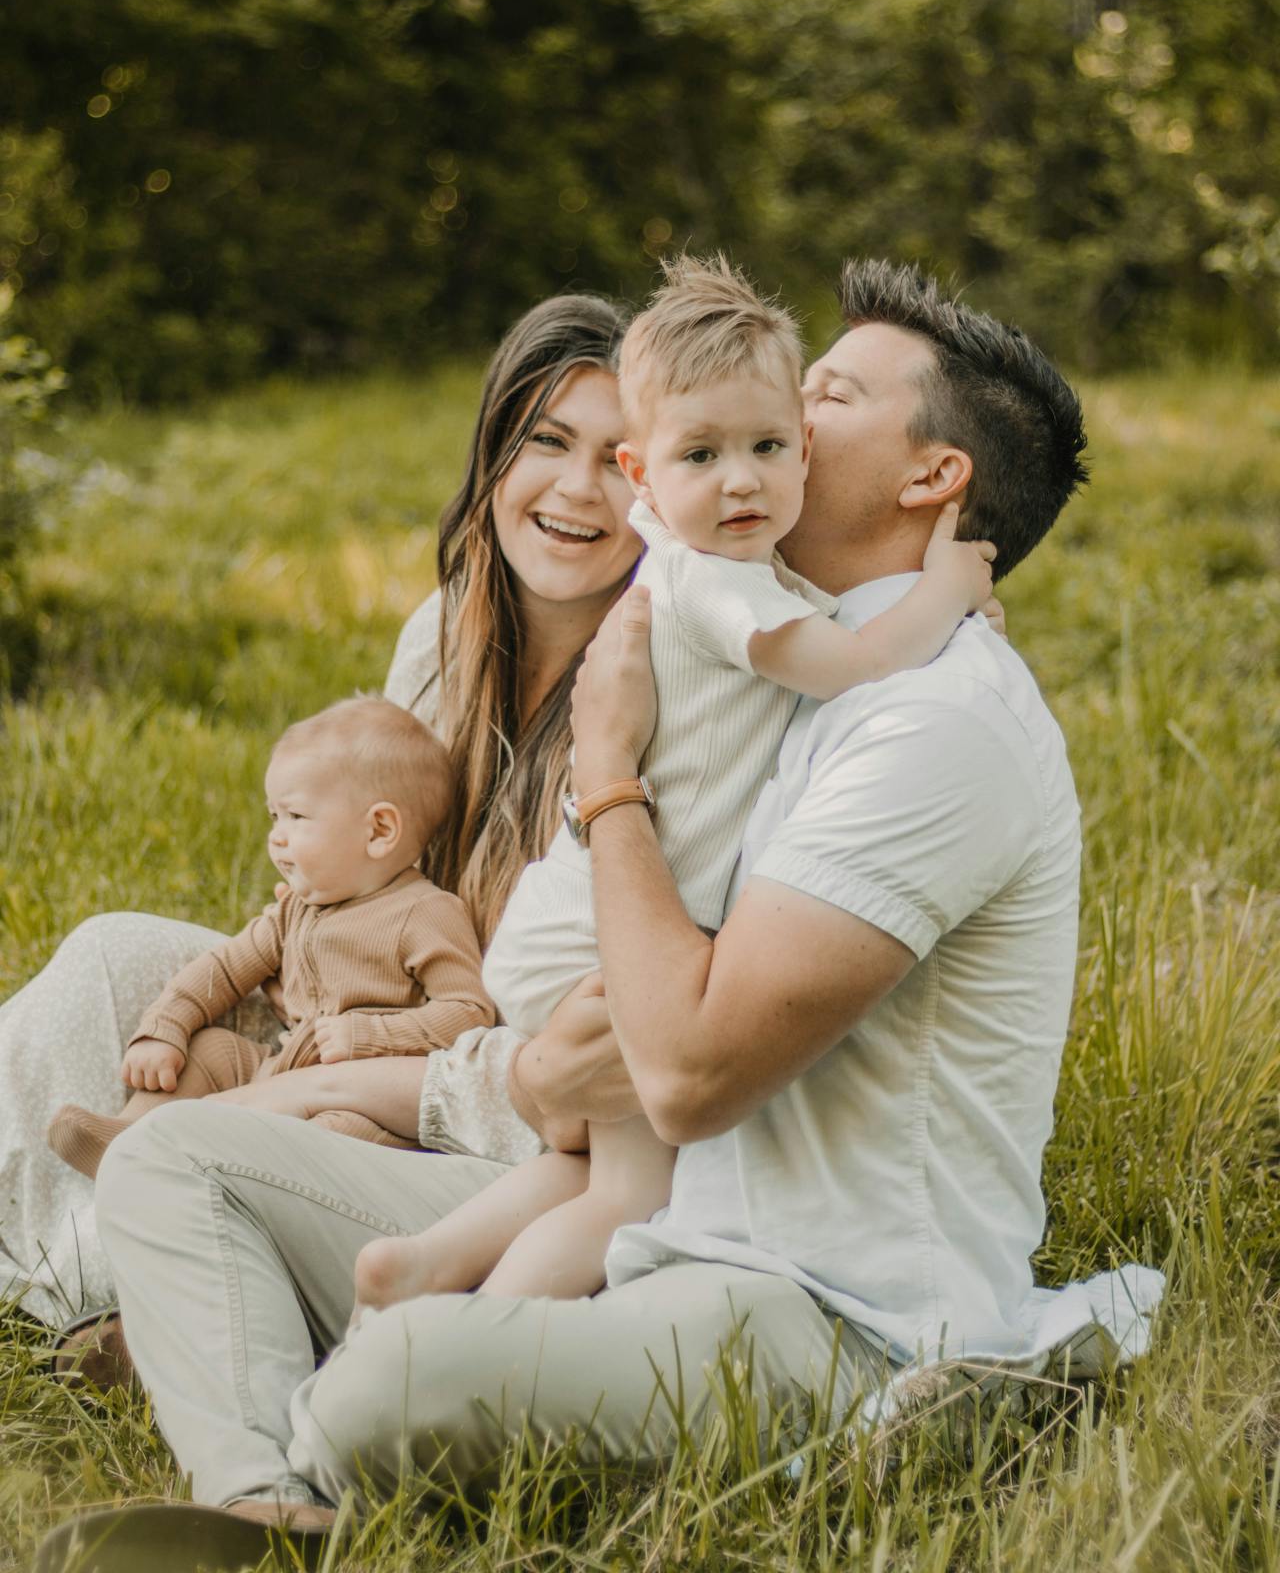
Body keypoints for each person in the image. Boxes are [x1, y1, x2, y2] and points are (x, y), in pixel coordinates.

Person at [78, 257, 1107, 1560]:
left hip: (810, 1300)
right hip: (624, 1205)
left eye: (828, 390)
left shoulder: (937, 724)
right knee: (173, 1162)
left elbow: (679, 1076)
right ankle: (257, 1508)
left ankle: (339, 1407)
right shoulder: (739, 633)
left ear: (931, 476)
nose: (780, 393)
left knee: (387, 1390)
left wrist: (608, 773)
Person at [353, 263, 994, 1313]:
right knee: (630, 1199)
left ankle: (419, 1267)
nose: (741, 483)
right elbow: (854, 664)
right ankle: (468, 1343)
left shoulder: (696, 552)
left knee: (597, 1179)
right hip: (593, 940)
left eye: (768, 448)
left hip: (578, 925)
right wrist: (946, 591)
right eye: (704, 456)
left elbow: (827, 618)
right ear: (644, 472)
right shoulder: (715, 586)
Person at [0, 292, 640, 1337]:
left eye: (618, 458)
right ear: (495, 455)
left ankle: (94, 1291)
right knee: (114, 956)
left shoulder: (658, 686)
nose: (577, 488)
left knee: (291, 1127)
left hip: (484, 1106)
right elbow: (353, 870)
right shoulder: (444, 636)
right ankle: (88, 1263)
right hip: (348, 1022)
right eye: (548, 441)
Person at [46, 696, 492, 1180]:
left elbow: (469, 1013)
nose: (276, 837)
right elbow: (223, 968)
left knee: (338, 1134)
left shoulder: (426, 913)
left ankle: (213, 1173)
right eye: (272, 817)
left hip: (368, 1102)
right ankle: (128, 1135)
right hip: (278, 1071)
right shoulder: (295, 911)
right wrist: (165, 1025)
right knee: (213, 1050)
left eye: (296, 817)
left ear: (380, 830)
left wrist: (369, 1035)